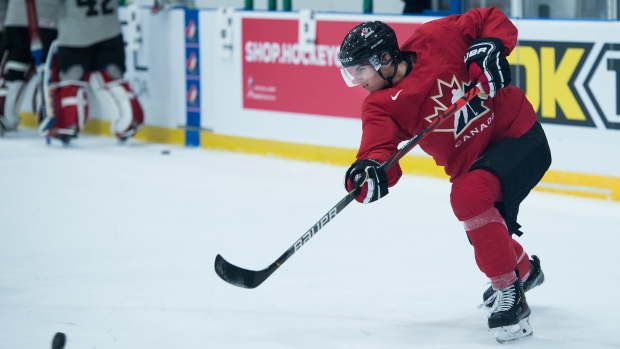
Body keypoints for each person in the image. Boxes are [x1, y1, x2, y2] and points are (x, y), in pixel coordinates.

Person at [338, 7, 551, 343]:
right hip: (476, 169)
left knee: (468, 198)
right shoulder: (379, 105)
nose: (358, 80)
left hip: (518, 136)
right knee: (483, 234)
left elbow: (488, 19)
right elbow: (378, 151)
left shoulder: (435, 37)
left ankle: (511, 296)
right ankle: (525, 271)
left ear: (385, 58)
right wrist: (370, 171)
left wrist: (491, 44)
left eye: (361, 69)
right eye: (352, 72)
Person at [39, 0, 144, 144]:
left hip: (75, 35)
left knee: (71, 81)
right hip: (110, 32)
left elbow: (48, 10)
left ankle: (68, 125)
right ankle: (129, 122)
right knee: (113, 78)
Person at [0, 0, 57, 135]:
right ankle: (48, 116)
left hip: (16, 18)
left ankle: (5, 116)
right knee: (46, 71)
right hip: (49, 18)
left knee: (16, 68)